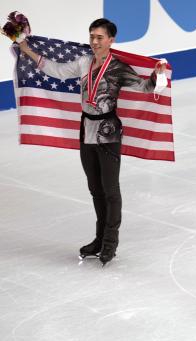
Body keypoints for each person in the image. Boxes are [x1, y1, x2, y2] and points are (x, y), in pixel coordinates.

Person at [18, 18, 166, 265]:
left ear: (111, 40)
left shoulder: (118, 68)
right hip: (86, 128)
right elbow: (57, 70)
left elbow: (144, 87)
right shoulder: (84, 62)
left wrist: (156, 74)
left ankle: (110, 243)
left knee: (110, 190)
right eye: (92, 37)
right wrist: (28, 51)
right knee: (95, 189)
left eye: (99, 37)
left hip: (108, 131)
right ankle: (99, 239)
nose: (94, 42)